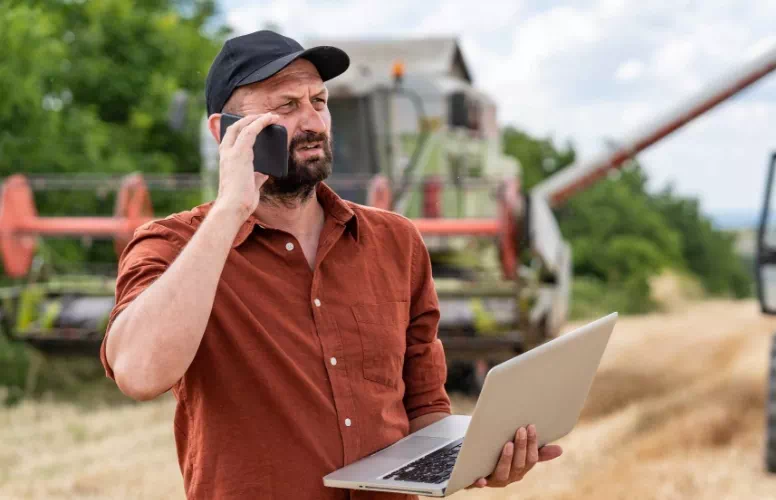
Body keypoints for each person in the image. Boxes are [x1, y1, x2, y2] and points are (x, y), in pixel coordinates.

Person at [100, 30, 561, 499]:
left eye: (318, 101)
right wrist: (229, 211)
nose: (313, 121)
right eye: (285, 106)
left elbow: (424, 406)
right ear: (224, 131)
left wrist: (478, 459)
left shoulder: (395, 242)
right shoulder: (172, 245)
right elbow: (139, 373)